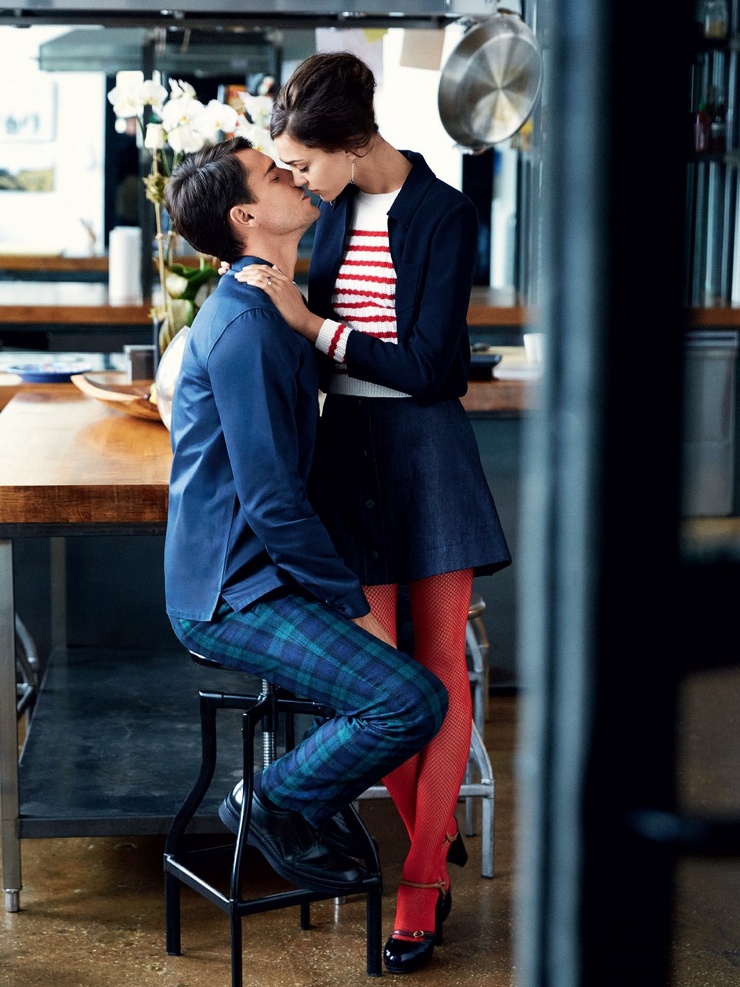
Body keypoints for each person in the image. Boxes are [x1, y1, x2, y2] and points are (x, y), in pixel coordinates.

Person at [229, 52, 512, 974]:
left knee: (440, 668)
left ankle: (422, 879)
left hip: (427, 454)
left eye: (304, 163)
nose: (298, 181)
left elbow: (429, 368)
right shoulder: (337, 209)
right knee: (376, 678)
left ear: (351, 144)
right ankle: (433, 831)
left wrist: (316, 326)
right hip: (349, 451)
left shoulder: (445, 212)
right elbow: (326, 355)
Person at [161, 135, 449, 901]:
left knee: (410, 685)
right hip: (229, 595)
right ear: (246, 216)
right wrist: (353, 608)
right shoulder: (248, 326)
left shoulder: (274, 305)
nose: (293, 174)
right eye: (272, 172)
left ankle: (298, 807)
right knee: (410, 698)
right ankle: (271, 802)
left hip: (261, 575)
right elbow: (272, 502)